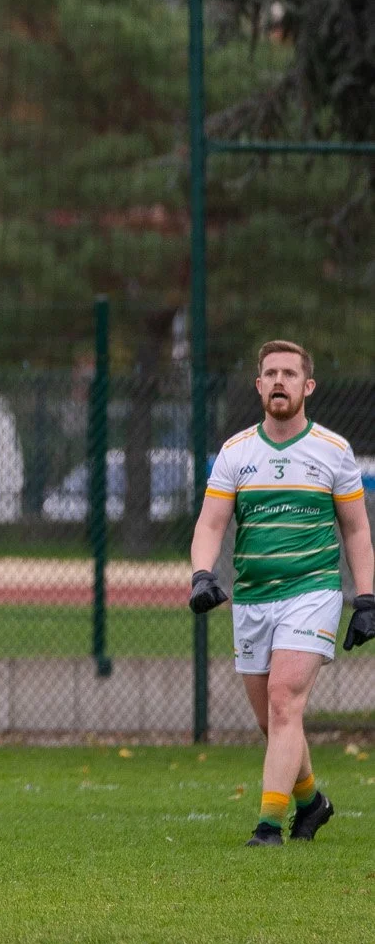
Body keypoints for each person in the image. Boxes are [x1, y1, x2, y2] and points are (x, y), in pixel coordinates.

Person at [187, 338, 375, 846]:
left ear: (307, 386)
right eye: (270, 373)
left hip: (312, 591)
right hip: (252, 598)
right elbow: (210, 524)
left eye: (289, 374)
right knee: (274, 722)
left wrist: (366, 598)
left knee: (284, 699)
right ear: (257, 385)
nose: (278, 382)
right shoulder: (235, 452)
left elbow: (356, 530)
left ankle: (269, 827)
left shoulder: (334, 451)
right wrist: (202, 574)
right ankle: (313, 803)